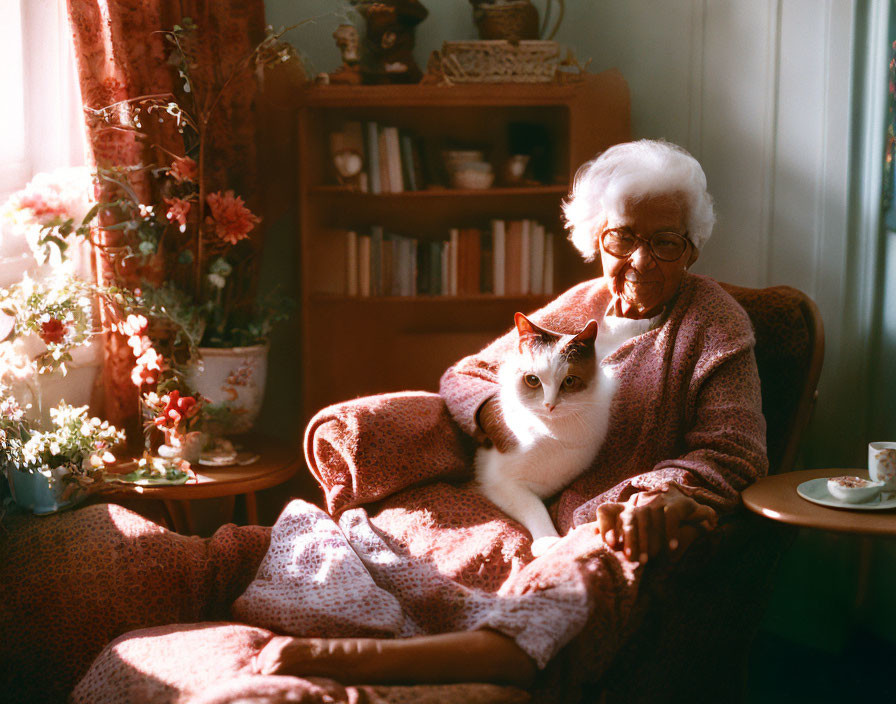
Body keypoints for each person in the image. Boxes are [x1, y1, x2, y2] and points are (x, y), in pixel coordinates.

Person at [255, 139, 768, 684]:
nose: (639, 261)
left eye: (665, 243)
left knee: (578, 582)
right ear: (599, 238)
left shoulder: (715, 324)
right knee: (402, 527)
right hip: (525, 500)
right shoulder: (582, 304)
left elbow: (734, 451)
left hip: (608, 521)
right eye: (624, 237)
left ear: (691, 249)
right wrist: (501, 424)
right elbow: (466, 375)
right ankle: (376, 625)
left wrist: (657, 494)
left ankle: (370, 662)